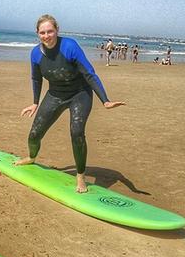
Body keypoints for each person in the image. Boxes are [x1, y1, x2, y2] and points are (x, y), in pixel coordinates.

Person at [15, 14, 125, 193]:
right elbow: (36, 78)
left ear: (57, 30)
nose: (46, 36)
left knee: (76, 132)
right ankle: (31, 157)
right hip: (55, 95)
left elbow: (89, 73)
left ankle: (80, 176)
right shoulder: (35, 53)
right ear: (37, 34)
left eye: (50, 31)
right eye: (42, 32)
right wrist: (35, 103)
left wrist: (105, 100)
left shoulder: (69, 46)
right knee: (34, 134)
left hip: (79, 94)